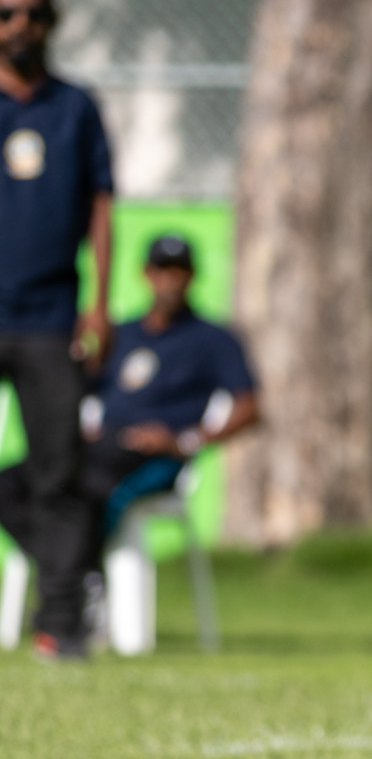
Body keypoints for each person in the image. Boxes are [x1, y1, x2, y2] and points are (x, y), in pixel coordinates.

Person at [0, 235, 258, 620]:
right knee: (12, 482)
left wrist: (186, 439)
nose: (169, 281)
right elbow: (77, 387)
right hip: (99, 444)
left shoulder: (213, 339)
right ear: (146, 274)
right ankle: (75, 575)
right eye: (161, 270)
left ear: (191, 277)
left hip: (155, 454)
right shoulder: (121, 334)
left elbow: (249, 406)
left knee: (85, 491)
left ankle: (72, 586)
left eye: (178, 271)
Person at [0, 0, 113, 659]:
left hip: (50, 319)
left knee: (58, 474)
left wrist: (97, 303)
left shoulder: (76, 108)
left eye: (34, 14)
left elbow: (101, 204)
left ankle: (62, 624)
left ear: (52, 24)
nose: (20, 24)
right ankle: (73, 573)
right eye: (7, 12)